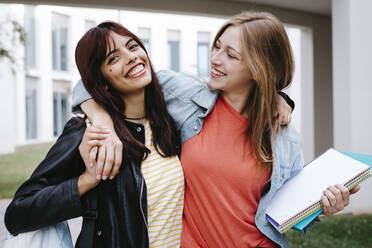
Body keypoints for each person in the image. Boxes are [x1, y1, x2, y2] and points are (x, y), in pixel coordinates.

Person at [72, 11, 358, 248]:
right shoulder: (183, 94)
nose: (216, 59)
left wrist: (325, 205)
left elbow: (288, 211)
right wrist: (102, 121)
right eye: (217, 46)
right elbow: (90, 80)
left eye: (231, 55)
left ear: (260, 68)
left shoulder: (283, 135)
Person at [5, 21, 185, 248]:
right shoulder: (90, 132)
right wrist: (88, 180)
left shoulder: (169, 123)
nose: (131, 57)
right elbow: (17, 213)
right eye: (113, 58)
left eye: (133, 47)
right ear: (102, 82)